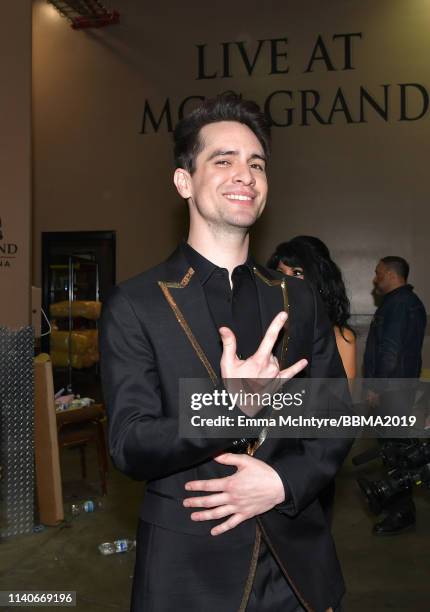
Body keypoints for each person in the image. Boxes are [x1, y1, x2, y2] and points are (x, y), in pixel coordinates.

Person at [100, 93, 352, 612]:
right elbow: (129, 442)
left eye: (256, 163)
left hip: (298, 571)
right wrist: (229, 408)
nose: (246, 174)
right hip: (189, 573)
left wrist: (284, 481)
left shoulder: (298, 299)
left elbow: (334, 416)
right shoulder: (136, 302)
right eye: (224, 160)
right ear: (184, 181)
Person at [363, 256, 427, 535]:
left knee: (395, 453)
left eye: (378, 274)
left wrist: (377, 387)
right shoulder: (406, 303)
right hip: (400, 389)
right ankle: (400, 509)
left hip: (392, 392)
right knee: (399, 451)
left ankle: (401, 513)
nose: (375, 280)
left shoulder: (399, 305)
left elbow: (390, 351)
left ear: (390, 273)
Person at [268, 237, 356, 379]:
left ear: (319, 280)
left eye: (297, 273)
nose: (286, 280)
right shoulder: (266, 325)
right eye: (280, 272)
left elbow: (340, 398)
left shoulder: (340, 338)